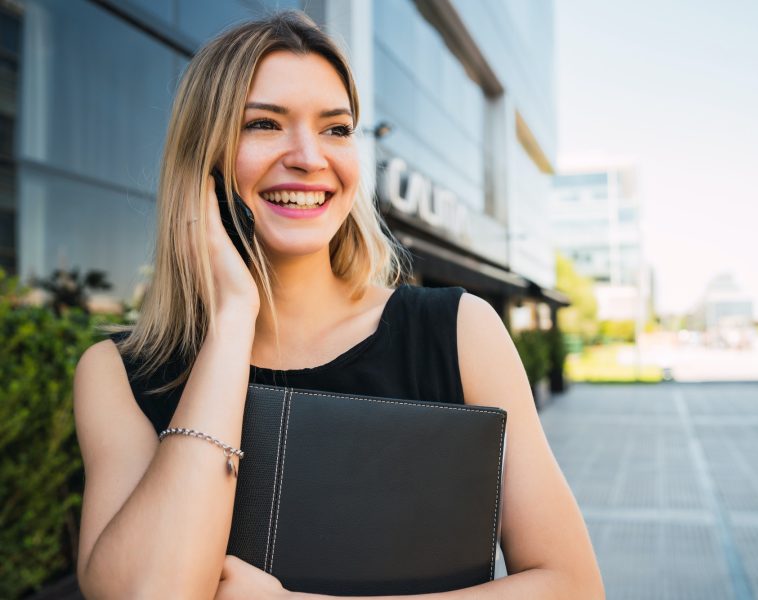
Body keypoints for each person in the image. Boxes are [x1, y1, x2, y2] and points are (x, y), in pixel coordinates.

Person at [73, 10, 604, 600]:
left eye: (335, 128)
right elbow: (149, 593)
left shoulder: (457, 330)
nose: (308, 156)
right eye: (264, 124)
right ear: (205, 159)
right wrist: (230, 325)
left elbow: (573, 586)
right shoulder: (119, 372)